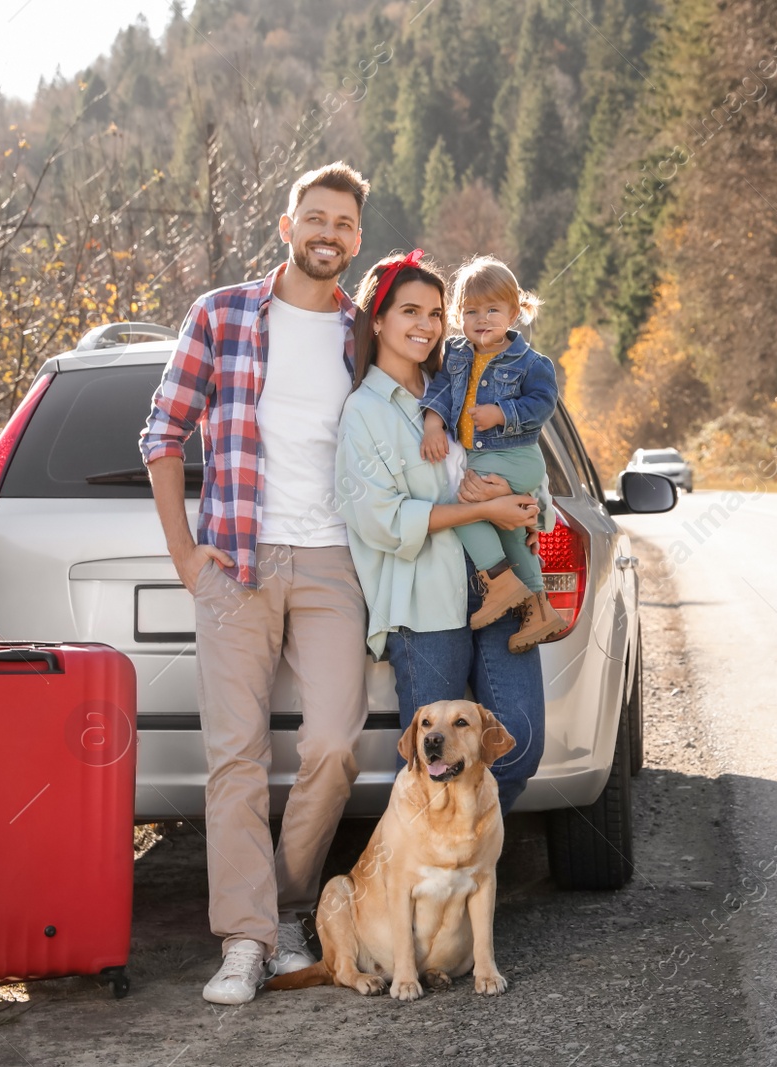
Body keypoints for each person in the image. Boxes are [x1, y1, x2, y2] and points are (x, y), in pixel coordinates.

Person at [140, 162, 372, 1006]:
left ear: (356, 238)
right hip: (236, 559)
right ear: (287, 226)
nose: (328, 233)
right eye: (315, 218)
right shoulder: (223, 313)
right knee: (234, 755)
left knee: (334, 744)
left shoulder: (364, 331)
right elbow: (162, 432)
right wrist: (184, 556)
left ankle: (283, 903)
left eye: (343, 223)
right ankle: (245, 939)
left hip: (333, 560)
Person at [335, 249, 549, 816]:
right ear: (377, 320)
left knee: (518, 742)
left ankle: (471, 853)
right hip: (425, 603)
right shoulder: (363, 412)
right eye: (410, 311)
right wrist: (486, 513)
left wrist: (527, 508)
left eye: (435, 313)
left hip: (497, 583)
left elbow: (522, 456)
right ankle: (439, 886)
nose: (426, 326)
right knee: (438, 760)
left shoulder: (462, 377)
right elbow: (381, 520)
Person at [418, 255, 565, 653]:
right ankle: (538, 606)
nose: (481, 319)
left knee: (463, 507)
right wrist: (433, 423)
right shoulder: (457, 354)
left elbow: (543, 403)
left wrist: (503, 413)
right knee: (509, 528)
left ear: (515, 313)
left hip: (516, 455)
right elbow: (442, 390)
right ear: (457, 316)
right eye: (471, 311)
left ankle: (500, 582)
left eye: (493, 310)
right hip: (487, 459)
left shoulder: (531, 363)